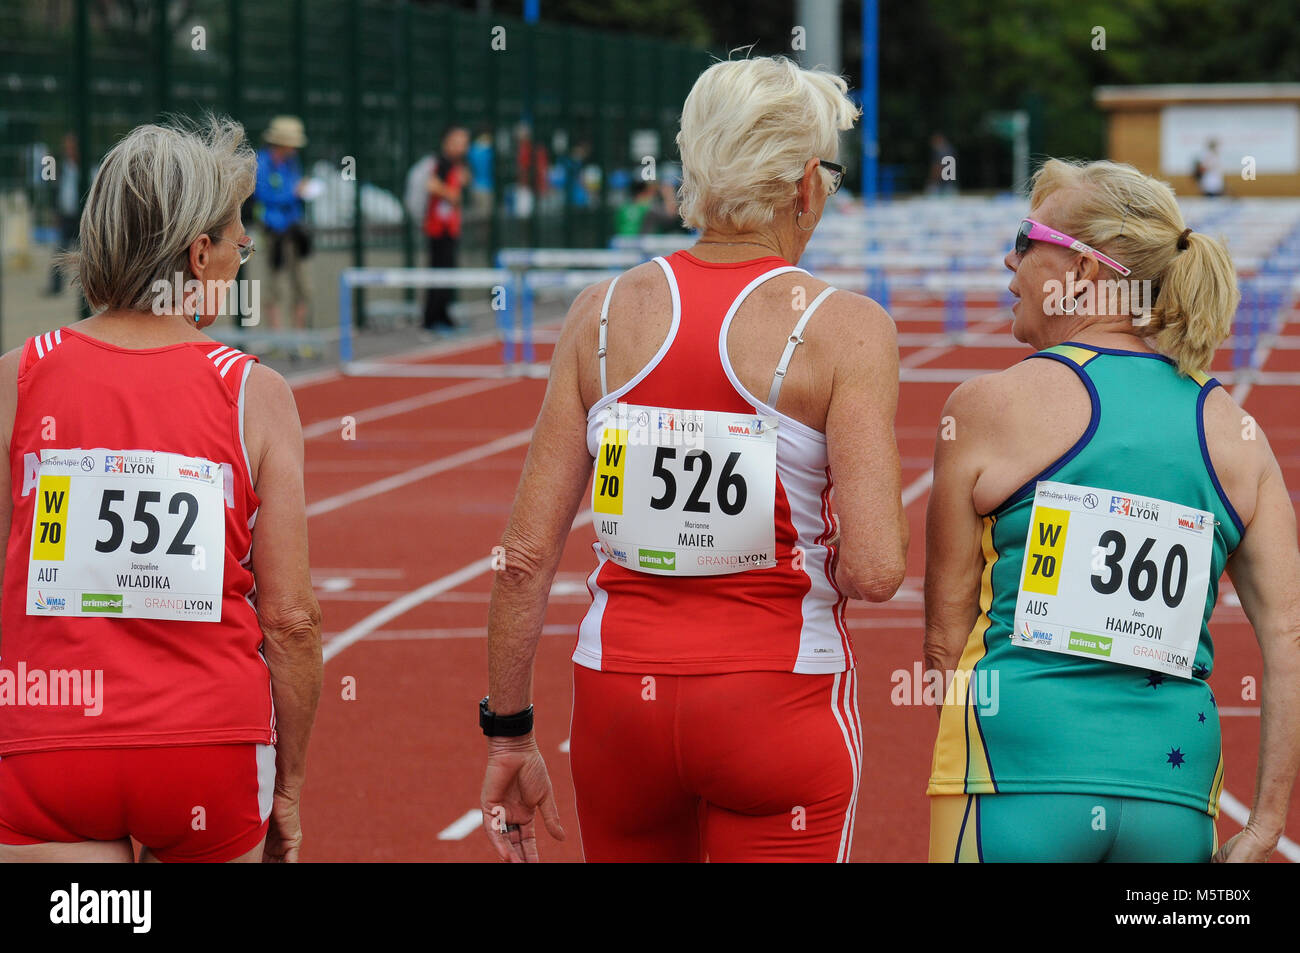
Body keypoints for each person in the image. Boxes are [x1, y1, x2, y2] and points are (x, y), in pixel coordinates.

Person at [480, 56, 907, 863]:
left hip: (617, 707)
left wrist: (507, 732)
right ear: (807, 184)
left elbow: (523, 559)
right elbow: (879, 569)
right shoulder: (846, 329)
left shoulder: (598, 315)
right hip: (777, 697)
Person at [924, 158, 1300, 862]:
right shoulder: (1236, 432)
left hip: (1015, 778)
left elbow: (946, 642)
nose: (1009, 257)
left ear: (1087, 274)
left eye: (1027, 238)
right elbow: (1290, 637)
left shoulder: (985, 407)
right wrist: (1266, 821)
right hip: (1174, 793)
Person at [0, 117, 322, 863]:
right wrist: (292, 786)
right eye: (237, 233)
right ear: (197, 252)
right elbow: (293, 619)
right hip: (205, 747)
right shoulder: (256, 395)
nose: (248, 248)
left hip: (49, 741)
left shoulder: (17, 378)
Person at [253, 116, 313, 331]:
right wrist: (294, 192)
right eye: (292, 144)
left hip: (294, 229)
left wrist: (299, 191)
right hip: (273, 233)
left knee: (303, 285)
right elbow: (263, 196)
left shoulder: (291, 163)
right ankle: (276, 338)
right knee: (274, 285)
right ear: (281, 143)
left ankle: (300, 337)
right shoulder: (261, 164)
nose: (295, 149)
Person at [423, 126, 470, 333]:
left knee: (447, 273)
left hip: (450, 228)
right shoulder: (440, 163)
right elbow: (431, 186)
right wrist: (452, 194)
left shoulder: (457, 165)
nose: (463, 147)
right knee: (438, 274)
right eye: (459, 142)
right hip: (438, 229)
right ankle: (432, 319)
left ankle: (443, 315)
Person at [44, 134, 82, 297]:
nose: (68, 150)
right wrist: (56, 212)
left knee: (87, 255)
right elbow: (55, 191)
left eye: (71, 146)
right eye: (66, 147)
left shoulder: (86, 167)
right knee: (60, 251)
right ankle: (55, 286)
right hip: (66, 216)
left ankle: (87, 289)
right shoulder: (60, 168)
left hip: (81, 218)